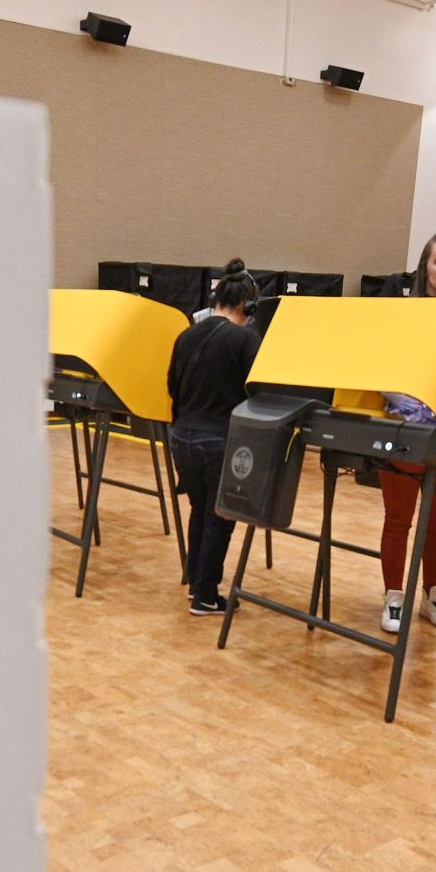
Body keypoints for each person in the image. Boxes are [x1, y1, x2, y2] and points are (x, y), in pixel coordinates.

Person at [376, 229, 436, 635]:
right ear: (424, 267)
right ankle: (394, 598)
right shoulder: (402, 314)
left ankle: (433, 596)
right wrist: (414, 403)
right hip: (403, 430)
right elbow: (380, 368)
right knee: (398, 521)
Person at [166, 263, 264, 615]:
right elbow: (257, 392)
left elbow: (172, 388)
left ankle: (196, 582)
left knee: (198, 510)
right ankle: (206, 596)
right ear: (248, 308)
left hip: (181, 438)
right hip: (220, 440)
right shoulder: (245, 340)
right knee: (219, 517)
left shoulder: (186, 335)